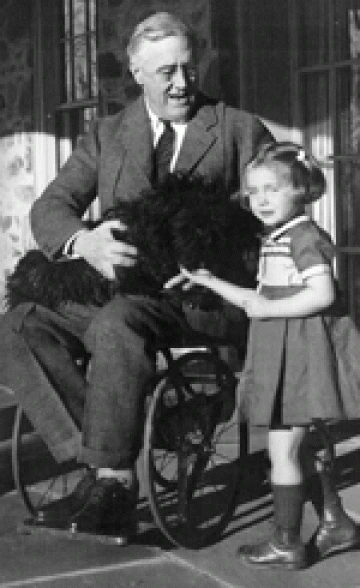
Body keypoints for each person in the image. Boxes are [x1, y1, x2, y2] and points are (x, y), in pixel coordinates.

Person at [0, 11, 273, 542]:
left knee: (117, 322)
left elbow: (274, 221)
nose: (181, 82)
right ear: (137, 73)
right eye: (166, 71)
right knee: (18, 322)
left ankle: (115, 480)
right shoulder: (108, 133)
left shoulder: (239, 130)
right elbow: (52, 207)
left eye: (189, 68)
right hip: (120, 287)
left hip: (197, 298)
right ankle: (103, 461)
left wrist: (219, 265)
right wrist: (86, 242)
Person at [179, 142, 360, 569]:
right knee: (304, 445)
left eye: (272, 190)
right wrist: (210, 281)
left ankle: (286, 540)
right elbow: (256, 299)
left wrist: (268, 309)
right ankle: (336, 523)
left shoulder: (305, 237)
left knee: (282, 451)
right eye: (253, 191)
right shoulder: (279, 236)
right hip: (284, 351)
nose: (260, 200)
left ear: (302, 190)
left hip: (298, 357)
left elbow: (322, 293)